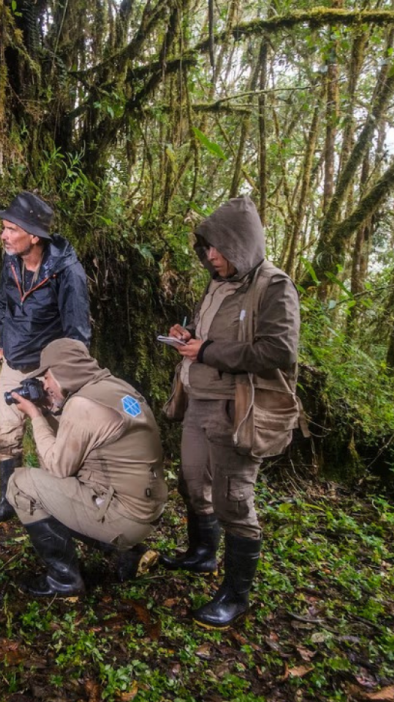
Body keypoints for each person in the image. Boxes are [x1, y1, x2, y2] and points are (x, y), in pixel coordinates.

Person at [161, 196, 301, 629]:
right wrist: (189, 336)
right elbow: (208, 338)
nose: (210, 256)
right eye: (206, 248)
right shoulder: (217, 283)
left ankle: (236, 596)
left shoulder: (273, 286)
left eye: (218, 248)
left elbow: (279, 350)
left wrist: (208, 350)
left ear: (241, 244)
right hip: (197, 401)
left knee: (232, 499)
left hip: (237, 409)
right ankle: (202, 554)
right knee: (192, 482)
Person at [5, 338, 168, 597]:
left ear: (61, 372)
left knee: (21, 484)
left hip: (125, 516)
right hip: (147, 508)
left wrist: (36, 416)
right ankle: (127, 552)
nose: (44, 384)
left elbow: (57, 468)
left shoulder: (82, 405)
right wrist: (52, 411)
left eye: (46, 376)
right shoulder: (115, 387)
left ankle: (63, 581)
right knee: (59, 491)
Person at [0, 192, 91, 525]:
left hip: (49, 367)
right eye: (3, 228)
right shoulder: (11, 260)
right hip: (15, 362)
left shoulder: (66, 273)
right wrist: (6, 345)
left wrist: (61, 378)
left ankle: (63, 506)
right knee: (6, 431)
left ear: (34, 235)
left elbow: (77, 333)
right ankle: (8, 500)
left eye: (10, 229)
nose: (3, 235)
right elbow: (4, 306)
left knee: (57, 439)